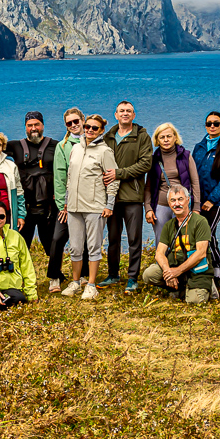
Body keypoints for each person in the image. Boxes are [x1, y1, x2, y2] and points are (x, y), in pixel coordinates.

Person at [0, 111, 58, 251]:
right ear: (25, 127)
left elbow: (68, 166)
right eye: (30, 125)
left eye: (37, 124)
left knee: (52, 245)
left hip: (47, 206)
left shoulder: (55, 146)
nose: (33, 128)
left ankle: (54, 272)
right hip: (25, 206)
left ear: (43, 125)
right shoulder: (16, 146)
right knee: (20, 246)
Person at [62, 114, 119, 300]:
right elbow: (70, 177)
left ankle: (92, 285)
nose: (89, 130)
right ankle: (76, 282)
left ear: (101, 131)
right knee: (76, 247)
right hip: (74, 207)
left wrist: (109, 204)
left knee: (93, 247)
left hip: (95, 206)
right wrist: (66, 201)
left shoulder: (105, 152)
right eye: (87, 126)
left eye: (94, 128)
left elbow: (112, 180)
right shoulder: (76, 149)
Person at [99, 101, 152, 292]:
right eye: (122, 111)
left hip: (133, 196)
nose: (125, 114)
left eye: (129, 111)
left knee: (134, 239)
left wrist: (119, 173)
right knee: (113, 238)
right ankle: (113, 274)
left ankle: (132, 277)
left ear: (134, 115)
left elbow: (146, 164)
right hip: (111, 198)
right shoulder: (108, 137)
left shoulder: (142, 137)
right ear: (115, 114)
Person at [140, 184, 214, 305]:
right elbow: (159, 253)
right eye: (173, 200)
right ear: (169, 203)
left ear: (188, 200)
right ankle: (180, 288)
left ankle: (207, 287)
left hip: (197, 271)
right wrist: (168, 272)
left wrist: (177, 271)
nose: (177, 204)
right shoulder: (169, 225)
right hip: (176, 268)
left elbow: (201, 253)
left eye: (180, 199)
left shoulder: (200, 222)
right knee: (149, 275)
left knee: (194, 301)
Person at [191, 111, 220, 293]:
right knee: (201, 234)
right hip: (196, 199)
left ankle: (218, 271)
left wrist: (212, 199)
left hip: (215, 202)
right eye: (209, 123)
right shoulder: (199, 147)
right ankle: (208, 268)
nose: (212, 126)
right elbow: (193, 172)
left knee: (207, 233)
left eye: (216, 123)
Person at [51, 107, 90, 293]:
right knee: (58, 238)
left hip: (89, 199)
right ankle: (54, 276)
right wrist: (62, 205)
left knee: (87, 239)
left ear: (83, 120)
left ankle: (84, 275)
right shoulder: (62, 146)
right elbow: (59, 176)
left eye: (76, 121)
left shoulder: (94, 141)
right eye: (69, 123)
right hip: (69, 202)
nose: (73, 125)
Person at [144, 122, 201, 244]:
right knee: (162, 240)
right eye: (162, 137)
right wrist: (148, 208)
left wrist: (196, 208)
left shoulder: (186, 156)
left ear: (175, 137)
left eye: (169, 136)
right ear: (157, 140)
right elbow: (148, 186)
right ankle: (162, 263)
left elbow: (195, 183)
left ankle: (181, 263)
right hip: (161, 205)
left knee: (183, 240)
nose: (166, 140)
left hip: (183, 205)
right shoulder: (154, 159)